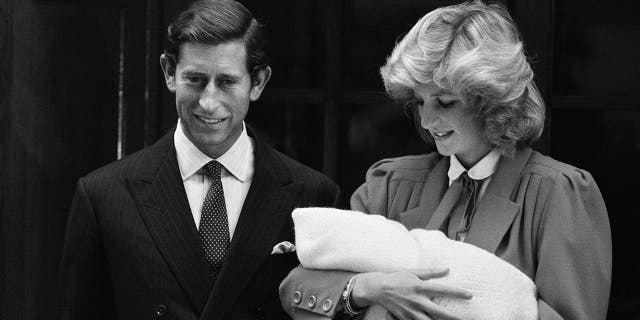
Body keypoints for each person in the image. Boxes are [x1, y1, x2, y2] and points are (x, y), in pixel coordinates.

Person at [279, 1, 612, 320]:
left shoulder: (558, 193)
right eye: (420, 101)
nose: (426, 120)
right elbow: (296, 287)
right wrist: (367, 288)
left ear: (491, 98)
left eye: (446, 102)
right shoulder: (389, 183)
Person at [57, 0, 339, 319]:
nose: (208, 102)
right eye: (195, 79)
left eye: (227, 82)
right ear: (169, 72)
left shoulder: (315, 195)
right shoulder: (103, 196)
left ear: (257, 82)